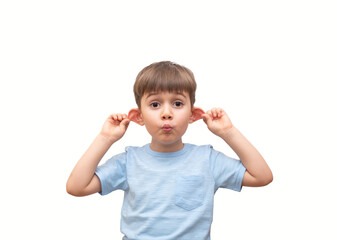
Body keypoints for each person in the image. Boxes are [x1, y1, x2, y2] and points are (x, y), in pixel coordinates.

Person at [66, 61, 273, 240]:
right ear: (138, 116)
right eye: (155, 104)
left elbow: (262, 176)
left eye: (177, 103)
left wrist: (228, 132)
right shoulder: (129, 161)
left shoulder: (207, 159)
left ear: (194, 114)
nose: (167, 113)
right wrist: (106, 138)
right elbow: (77, 187)